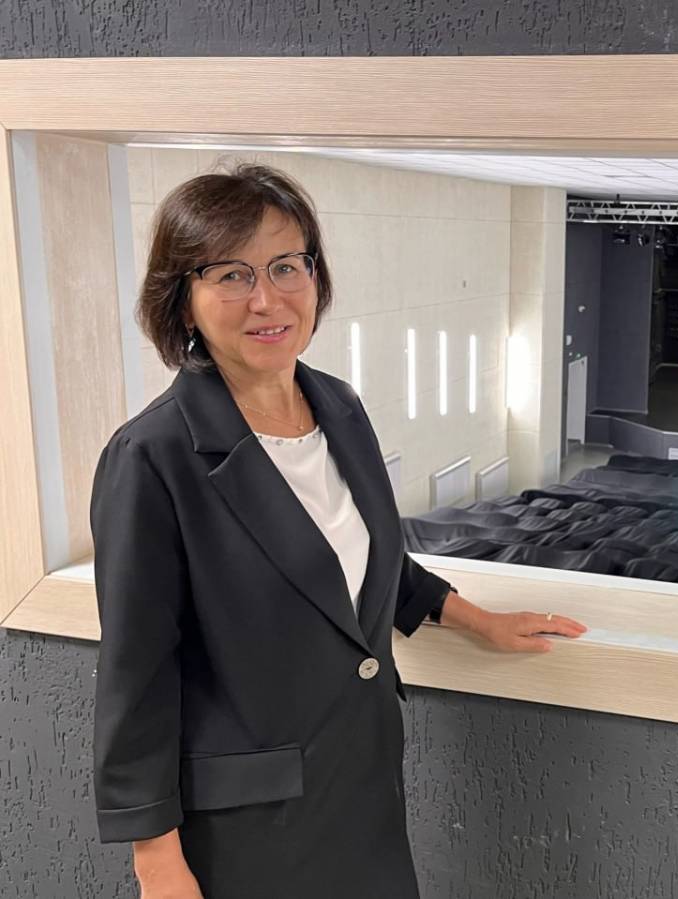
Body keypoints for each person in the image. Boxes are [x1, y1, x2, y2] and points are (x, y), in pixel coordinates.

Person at [89, 162, 587, 898]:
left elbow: (358, 563)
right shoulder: (152, 456)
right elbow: (137, 672)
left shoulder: (339, 406)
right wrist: (156, 860)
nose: (267, 298)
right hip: (249, 826)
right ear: (183, 303)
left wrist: (477, 619)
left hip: (363, 786)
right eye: (231, 274)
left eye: (286, 265)